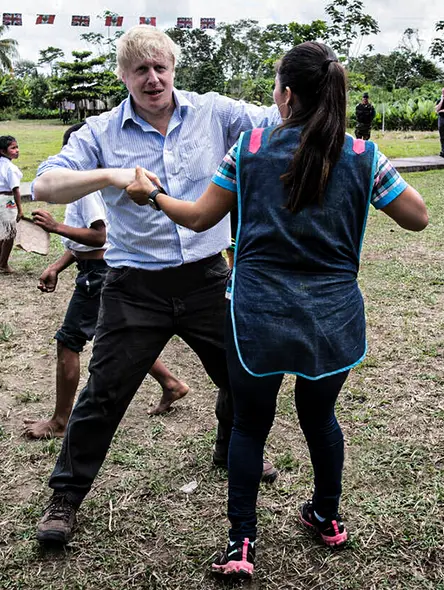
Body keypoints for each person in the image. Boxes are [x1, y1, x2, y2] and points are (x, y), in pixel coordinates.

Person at [123, 41, 428, 579]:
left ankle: (242, 543)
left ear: (286, 96)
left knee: (249, 427)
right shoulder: (363, 155)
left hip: (256, 317)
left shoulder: (249, 149)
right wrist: (368, 173)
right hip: (331, 320)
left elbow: (196, 219)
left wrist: (152, 196)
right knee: (320, 417)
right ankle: (327, 517)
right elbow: (417, 217)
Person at [30, 25, 280, 547]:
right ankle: (65, 500)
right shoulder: (100, 132)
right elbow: (45, 184)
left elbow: (279, 119)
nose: (153, 78)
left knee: (241, 377)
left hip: (210, 276)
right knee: (103, 395)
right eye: (140, 69)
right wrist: (111, 175)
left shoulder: (213, 112)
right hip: (133, 284)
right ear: (123, 75)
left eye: (160, 67)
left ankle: (228, 448)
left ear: (173, 68)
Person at [23, 124, 190, 440]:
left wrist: (57, 227)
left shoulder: (85, 190)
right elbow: (89, 244)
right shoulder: (91, 186)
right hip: (97, 271)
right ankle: (172, 384)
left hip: (98, 276)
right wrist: (58, 265)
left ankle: (60, 422)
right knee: (118, 338)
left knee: (69, 340)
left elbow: (99, 236)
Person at [0, 135, 23, 274]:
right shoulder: (10, 167)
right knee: (10, 233)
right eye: (13, 148)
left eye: (17, 147)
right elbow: (16, 190)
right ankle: (3, 264)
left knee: (1, 233)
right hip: (7, 201)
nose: (17, 150)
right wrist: (20, 209)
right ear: (3, 151)